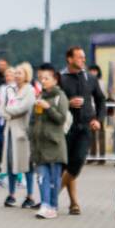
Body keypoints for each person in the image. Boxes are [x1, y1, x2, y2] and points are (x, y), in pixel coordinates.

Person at [60, 47, 105, 214]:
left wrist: (98, 119)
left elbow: (101, 100)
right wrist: (68, 104)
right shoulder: (61, 78)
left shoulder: (90, 78)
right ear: (69, 59)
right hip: (66, 127)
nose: (83, 60)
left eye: (84, 57)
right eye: (79, 57)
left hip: (85, 127)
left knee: (77, 161)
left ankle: (52, 195)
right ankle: (73, 204)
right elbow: (54, 99)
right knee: (67, 165)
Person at [30, 63, 69, 219]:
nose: (43, 81)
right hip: (40, 144)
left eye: (46, 78)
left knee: (54, 178)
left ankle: (53, 205)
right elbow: (34, 119)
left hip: (55, 144)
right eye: (41, 78)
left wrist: (48, 107)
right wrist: (31, 132)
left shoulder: (60, 96)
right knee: (42, 177)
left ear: (55, 79)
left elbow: (61, 119)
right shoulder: (40, 96)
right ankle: (44, 204)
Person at [0, 64, 37, 208]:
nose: (16, 76)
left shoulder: (30, 90)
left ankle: (30, 195)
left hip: (23, 132)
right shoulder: (10, 90)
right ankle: (11, 194)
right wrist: (9, 111)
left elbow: (24, 108)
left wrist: (8, 111)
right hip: (9, 131)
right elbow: (0, 109)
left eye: (19, 73)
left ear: (27, 75)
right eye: (15, 73)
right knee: (10, 163)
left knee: (26, 164)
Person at [87, 64, 107, 161]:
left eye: (95, 71)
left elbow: (103, 96)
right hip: (90, 109)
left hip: (99, 110)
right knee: (91, 134)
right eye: (91, 70)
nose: (93, 72)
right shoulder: (87, 82)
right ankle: (92, 155)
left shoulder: (101, 82)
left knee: (101, 133)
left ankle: (102, 156)